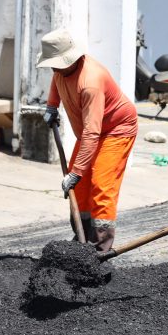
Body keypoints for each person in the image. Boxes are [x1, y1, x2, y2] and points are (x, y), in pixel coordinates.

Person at [37, 28, 138, 252]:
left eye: (57, 63)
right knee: (79, 188)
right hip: (90, 132)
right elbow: (57, 79)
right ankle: (83, 241)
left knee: (101, 185)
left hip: (116, 130)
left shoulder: (90, 81)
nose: (54, 68)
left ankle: (100, 247)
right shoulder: (61, 70)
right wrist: (52, 106)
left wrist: (75, 172)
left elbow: (93, 132)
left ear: (71, 58)